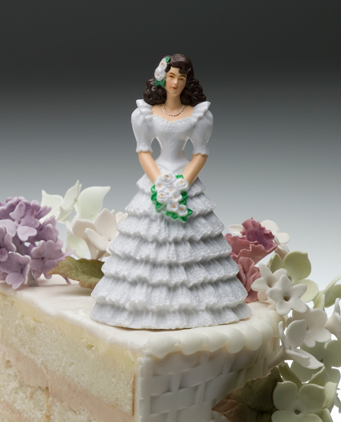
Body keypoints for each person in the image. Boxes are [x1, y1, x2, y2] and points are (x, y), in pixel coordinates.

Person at [90, 54, 250, 329]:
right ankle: (145, 308)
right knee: (146, 247)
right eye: (172, 76)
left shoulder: (198, 114)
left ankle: (193, 309)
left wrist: (182, 183)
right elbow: (144, 150)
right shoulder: (144, 114)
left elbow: (200, 153)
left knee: (191, 246)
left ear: (188, 81)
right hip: (157, 178)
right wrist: (160, 183)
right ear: (162, 77)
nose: (175, 82)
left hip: (184, 178)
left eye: (182, 77)